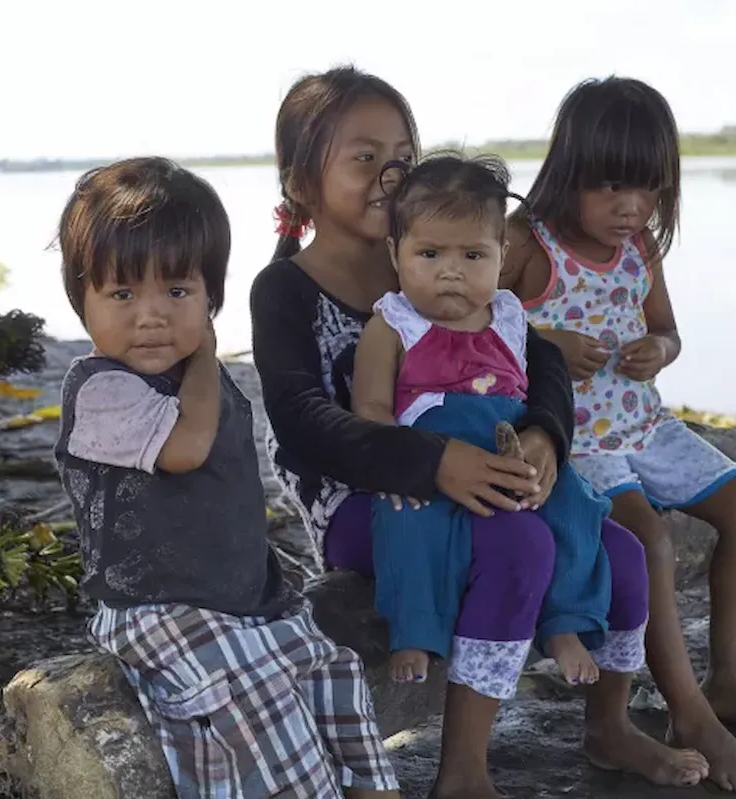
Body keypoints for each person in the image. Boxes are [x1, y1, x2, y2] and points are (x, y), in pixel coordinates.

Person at [250, 66, 709, 799]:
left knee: (619, 553)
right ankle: (463, 766)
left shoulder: (450, 252)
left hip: (483, 468)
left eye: (401, 155)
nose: (387, 174)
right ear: (302, 182)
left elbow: (540, 358)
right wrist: (432, 463)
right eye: (362, 157)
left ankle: (610, 724)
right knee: (520, 539)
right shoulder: (286, 289)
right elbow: (303, 424)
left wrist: (546, 437)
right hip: (370, 500)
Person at [53, 156, 400, 798]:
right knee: (248, 697)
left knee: (331, 669)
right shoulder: (100, 388)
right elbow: (186, 449)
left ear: (211, 296)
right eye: (122, 294)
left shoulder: (201, 380)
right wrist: (208, 354)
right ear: (81, 302)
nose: (151, 316)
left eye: (177, 292)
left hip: (239, 592)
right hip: (156, 605)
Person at [502, 75, 736, 794]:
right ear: (568, 174)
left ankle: (725, 678)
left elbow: (668, 330)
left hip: (643, 423)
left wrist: (661, 349)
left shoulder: (641, 250)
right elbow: (474, 316)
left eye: (649, 190)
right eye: (610, 188)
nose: (631, 208)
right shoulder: (527, 244)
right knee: (646, 540)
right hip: (579, 440)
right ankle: (684, 713)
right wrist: (548, 341)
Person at [352, 152, 646, 693]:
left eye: (472, 254)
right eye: (429, 253)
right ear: (396, 253)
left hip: (510, 451)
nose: (450, 270)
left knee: (577, 509)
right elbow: (370, 407)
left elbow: (538, 393)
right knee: (405, 522)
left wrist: (545, 447)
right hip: (433, 455)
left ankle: (565, 623)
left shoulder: (511, 317)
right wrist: (399, 463)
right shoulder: (392, 323)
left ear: (501, 254)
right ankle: (415, 630)